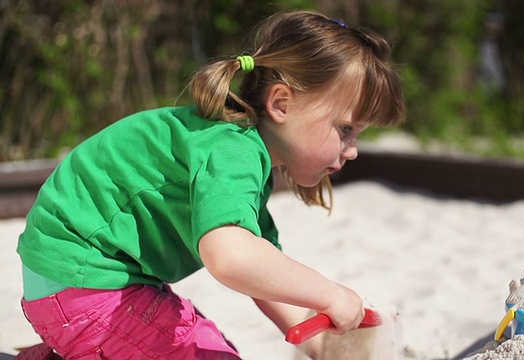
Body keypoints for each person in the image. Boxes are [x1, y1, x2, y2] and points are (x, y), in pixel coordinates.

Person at [16, 10, 405, 360]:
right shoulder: (232, 151)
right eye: (346, 129)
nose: (352, 150)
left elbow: (263, 273)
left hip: (72, 284)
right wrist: (331, 295)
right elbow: (232, 258)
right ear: (282, 104)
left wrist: (322, 350)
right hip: (87, 289)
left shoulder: (233, 147)